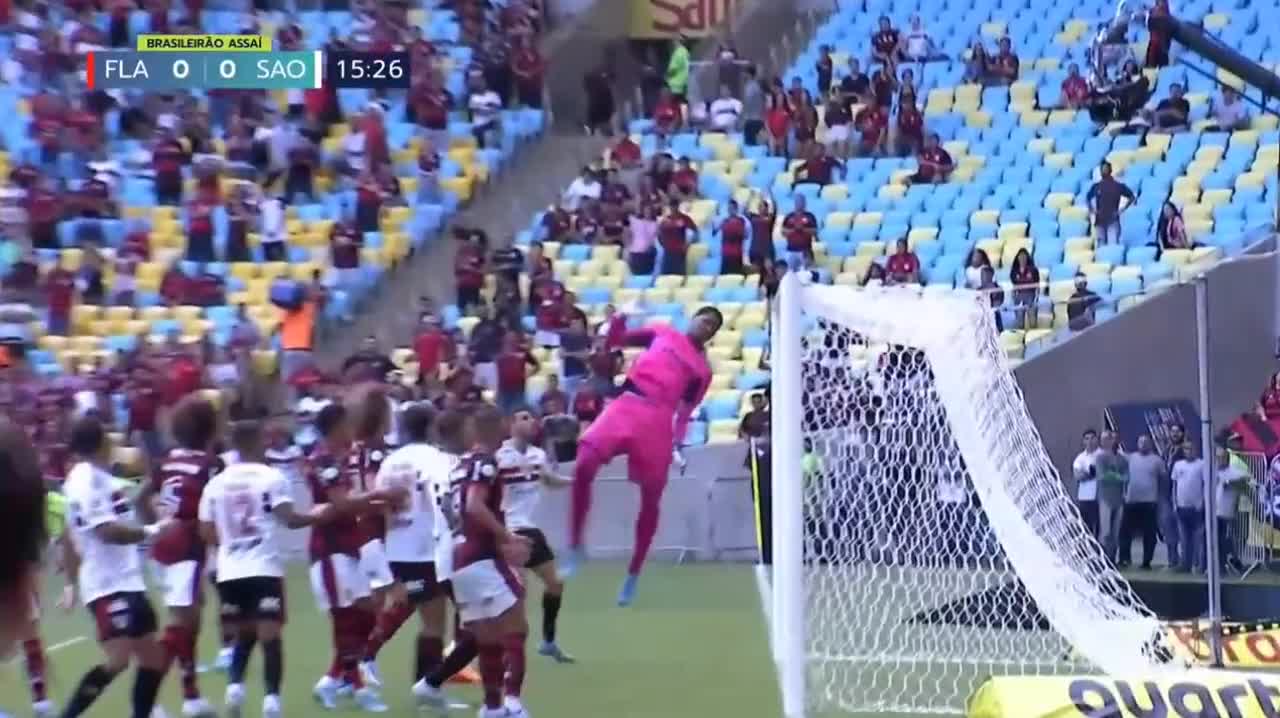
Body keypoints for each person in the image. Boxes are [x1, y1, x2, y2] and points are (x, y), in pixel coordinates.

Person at [565, 307, 723, 605]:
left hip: (659, 421)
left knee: (651, 497)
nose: (706, 328)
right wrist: (620, 318)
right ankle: (575, 544)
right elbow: (615, 341)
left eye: (712, 328)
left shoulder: (702, 371)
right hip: (628, 404)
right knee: (584, 462)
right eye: (705, 321)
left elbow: (685, 412)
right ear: (692, 318)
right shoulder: (662, 333)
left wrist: (677, 443)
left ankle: (633, 574)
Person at [199, 419, 330, 718]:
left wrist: (233, 544)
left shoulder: (215, 483)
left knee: (244, 633)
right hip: (264, 568)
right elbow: (288, 518)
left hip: (229, 570)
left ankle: (235, 689)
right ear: (257, 441)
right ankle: (271, 701)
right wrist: (316, 516)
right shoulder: (271, 477)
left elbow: (206, 532)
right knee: (270, 636)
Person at [58, 415, 169, 718]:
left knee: (152, 658)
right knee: (119, 657)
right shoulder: (85, 482)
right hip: (107, 584)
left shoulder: (101, 476)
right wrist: (152, 531)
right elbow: (106, 531)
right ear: (102, 442)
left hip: (129, 580)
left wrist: (149, 486)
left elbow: (69, 535)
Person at [441, 406, 534, 718]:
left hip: (459, 560)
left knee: (488, 639)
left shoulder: (460, 465)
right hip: (482, 556)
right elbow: (474, 506)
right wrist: (507, 537)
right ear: (499, 427)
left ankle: (492, 708)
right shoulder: (485, 462)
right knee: (516, 627)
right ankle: (514, 704)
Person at [135, 395, 224, 718]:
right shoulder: (210, 465)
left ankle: (191, 696)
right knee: (180, 624)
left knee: (192, 619)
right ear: (209, 428)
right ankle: (148, 701)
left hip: (164, 549)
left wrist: (155, 527)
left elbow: (141, 498)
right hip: (187, 548)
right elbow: (216, 510)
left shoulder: (167, 459)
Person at [359, 403, 452, 704]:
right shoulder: (436, 459)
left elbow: (380, 504)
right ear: (429, 427)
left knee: (415, 609)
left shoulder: (390, 462)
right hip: (425, 548)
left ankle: (366, 658)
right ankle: (426, 687)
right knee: (434, 623)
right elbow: (442, 500)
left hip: (398, 545)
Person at [306, 403, 391, 712]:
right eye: (347, 423)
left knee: (366, 613)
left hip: (350, 546)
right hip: (330, 549)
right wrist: (380, 498)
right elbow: (342, 504)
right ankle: (355, 686)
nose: (351, 429)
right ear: (336, 426)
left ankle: (332, 679)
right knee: (346, 617)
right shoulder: (323, 460)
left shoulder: (342, 458)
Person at [499, 407, 576, 664]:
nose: (531, 422)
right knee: (518, 595)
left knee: (555, 584)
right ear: (511, 423)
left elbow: (548, 479)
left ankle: (548, 642)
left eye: (532, 418)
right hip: (509, 531)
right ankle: (505, 654)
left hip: (530, 529)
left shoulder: (537, 454)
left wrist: (575, 481)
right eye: (524, 418)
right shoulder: (499, 456)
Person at [1119, 435, 1164, 569]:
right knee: (1125, 532)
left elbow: (1163, 479)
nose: (1143, 444)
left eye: (1146, 442)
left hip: (1149, 502)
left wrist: (1159, 498)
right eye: (1141, 442)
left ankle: (1146, 562)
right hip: (1131, 501)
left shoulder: (1157, 460)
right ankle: (1124, 559)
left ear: (1150, 444)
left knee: (1149, 533)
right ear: (1137, 444)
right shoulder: (1130, 458)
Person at [1171, 440, 1205, 572]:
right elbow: (1174, 486)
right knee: (1184, 539)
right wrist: (1174, 503)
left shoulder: (1201, 464)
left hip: (1196, 507)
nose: (1188, 451)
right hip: (1181, 506)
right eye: (1186, 449)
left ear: (1195, 450)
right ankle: (1185, 565)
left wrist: (1202, 502)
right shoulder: (1178, 465)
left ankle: (1198, 565)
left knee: (1198, 539)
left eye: (1191, 449)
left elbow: (1205, 485)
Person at [1086, 161, 1135, 245]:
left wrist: (1122, 209)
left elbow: (1132, 197)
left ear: (1110, 170)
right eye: (1102, 169)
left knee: (1112, 246)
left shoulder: (1118, 186)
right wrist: (1092, 210)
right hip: (1099, 222)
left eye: (1106, 169)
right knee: (1101, 249)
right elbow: (1088, 198)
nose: (1104, 171)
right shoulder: (1096, 186)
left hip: (1113, 221)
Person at [1073, 428, 1102, 538]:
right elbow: (1078, 476)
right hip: (1085, 498)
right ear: (1083, 441)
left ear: (1097, 440)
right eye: (1087, 439)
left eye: (1092, 438)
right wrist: (1092, 473)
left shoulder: (1103, 455)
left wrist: (1089, 472)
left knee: (1101, 530)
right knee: (1086, 528)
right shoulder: (1080, 458)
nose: (1090, 441)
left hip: (1101, 498)